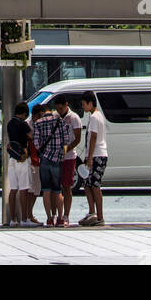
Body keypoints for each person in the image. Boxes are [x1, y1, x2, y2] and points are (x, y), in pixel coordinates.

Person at [32, 97, 73, 226]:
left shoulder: (38, 123)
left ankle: (49, 218)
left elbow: (36, 143)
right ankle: (60, 218)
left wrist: (45, 153)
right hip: (57, 160)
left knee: (46, 190)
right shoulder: (61, 122)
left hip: (44, 160)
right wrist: (60, 153)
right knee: (57, 190)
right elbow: (66, 141)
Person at [78, 90, 108, 227]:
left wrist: (89, 157)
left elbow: (93, 138)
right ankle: (92, 212)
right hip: (94, 155)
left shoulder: (95, 117)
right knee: (87, 184)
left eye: (84, 104)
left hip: (97, 155)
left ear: (90, 103)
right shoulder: (95, 116)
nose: (83, 107)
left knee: (95, 185)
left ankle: (100, 216)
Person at [55, 97, 83, 226]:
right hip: (55, 157)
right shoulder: (55, 116)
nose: (59, 111)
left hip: (69, 157)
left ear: (66, 105)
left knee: (67, 186)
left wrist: (66, 149)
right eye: (57, 109)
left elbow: (77, 139)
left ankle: (66, 215)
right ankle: (57, 215)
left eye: (61, 108)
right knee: (55, 187)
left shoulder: (74, 118)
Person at [6, 102, 32, 225]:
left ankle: (12, 220)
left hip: (12, 158)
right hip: (22, 159)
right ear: (24, 114)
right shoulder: (24, 124)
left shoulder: (9, 123)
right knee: (24, 190)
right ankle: (24, 219)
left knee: (13, 189)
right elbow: (31, 136)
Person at [26, 104, 45, 225]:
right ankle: (28, 215)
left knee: (36, 189)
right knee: (31, 189)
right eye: (39, 116)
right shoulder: (28, 125)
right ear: (34, 115)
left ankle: (29, 214)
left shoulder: (39, 124)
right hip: (31, 160)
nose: (41, 118)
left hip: (37, 159)